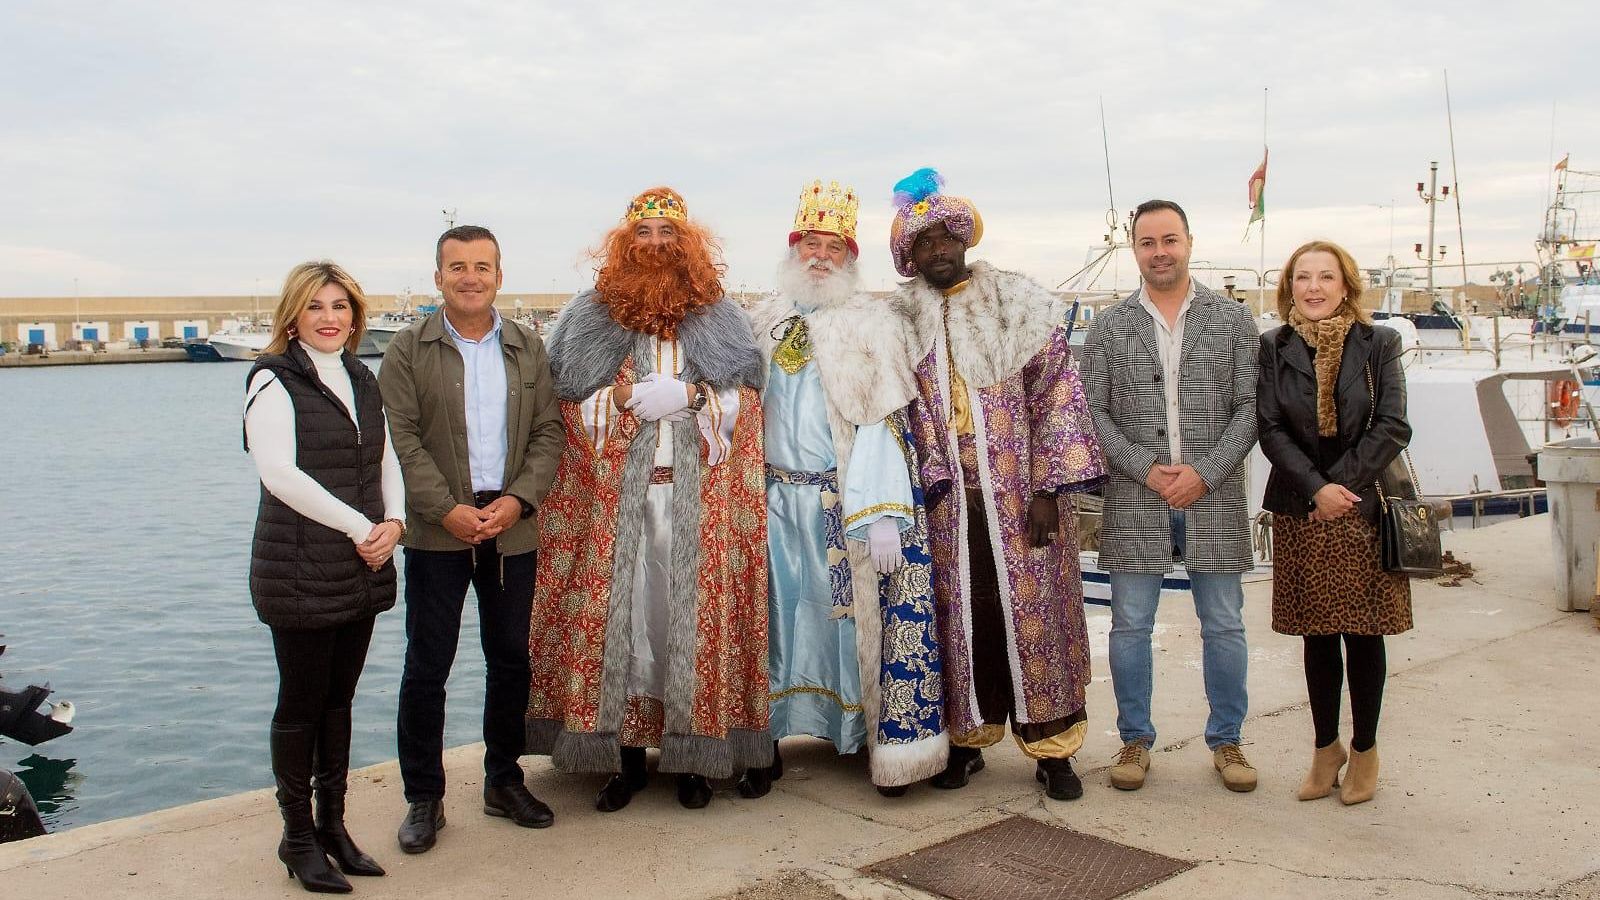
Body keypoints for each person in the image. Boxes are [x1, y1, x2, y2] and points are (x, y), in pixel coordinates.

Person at [527, 187, 770, 812]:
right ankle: (623, 761)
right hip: (617, 504)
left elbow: (747, 404)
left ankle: (692, 760)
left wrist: (693, 398)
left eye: (668, 233)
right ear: (624, 243)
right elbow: (564, 401)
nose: (656, 244)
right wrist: (618, 398)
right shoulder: (589, 315)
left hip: (698, 503)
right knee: (627, 629)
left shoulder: (720, 316)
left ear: (687, 245)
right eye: (644, 233)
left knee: (686, 627)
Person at [891, 169, 1107, 801]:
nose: (937, 250)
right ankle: (966, 741)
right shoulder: (902, 321)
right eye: (923, 243)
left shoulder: (1015, 303)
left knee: (1038, 619)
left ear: (964, 238)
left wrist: (1049, 490)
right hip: (946, 503)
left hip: (1021, 496)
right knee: (964, 617)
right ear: (910, 256)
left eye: (945, 238)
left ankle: (1053, 749)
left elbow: (1057, 395)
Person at [743, 180, 946, 798]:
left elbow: (882, 419)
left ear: (851, 257)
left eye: (835, 247)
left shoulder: (871, 323)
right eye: (812, 243)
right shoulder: (761, 320)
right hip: (773, 500)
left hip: (842, 504)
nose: (821, 256)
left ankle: (861, 735)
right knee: (778, 618)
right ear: (794, 248)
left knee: (850, 621)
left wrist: (884, 512)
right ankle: (765, 740)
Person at [378, 225, 565, 854]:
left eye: (482, 266)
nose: (470, 278)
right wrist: (446, 509)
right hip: (439, 530)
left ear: (499, 276)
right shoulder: (407, 349)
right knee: (427, 663)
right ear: (438, 277)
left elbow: (549, 432)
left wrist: (518, 501)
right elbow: (401, 438)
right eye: (457, 267)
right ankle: (423, 797)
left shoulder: (527, 347)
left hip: (512, 527)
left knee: (510, 657)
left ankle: (503, 780)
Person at [1080, 199, 1261, 793]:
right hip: (1137, 496)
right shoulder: (1110, 327)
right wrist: (1145, 470)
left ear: (1188, 243)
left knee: (1224, 624)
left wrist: (1206, 473)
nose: (1160, 252)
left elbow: (1250, 410)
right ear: (1135, 249)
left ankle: (1227, 740)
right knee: (1130, 625)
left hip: (1215, 496)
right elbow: (1093, 413)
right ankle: (1134, 740)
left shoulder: (1233, 321)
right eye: (1148, 242)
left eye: (1169, 240)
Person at [244, 260, 402, 893]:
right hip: (298, 568)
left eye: (340, 306)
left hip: (358, 566)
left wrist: (394, 523)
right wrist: (362, 528)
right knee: (301, 703)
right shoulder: (272, 380)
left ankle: (332, 825)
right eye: (315, 306)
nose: (329, 318)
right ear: (293, 315)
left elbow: (386, 456)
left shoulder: (362, 376)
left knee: (339, 701)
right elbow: (279, 473)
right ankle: (297, 836)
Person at [1258, 239, 1412, 806]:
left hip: (1361, 507)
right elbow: (1270, 428)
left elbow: (1393, 424)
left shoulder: (1380, 343)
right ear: (1289, 287)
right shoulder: (1274, 346)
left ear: (1346, 285)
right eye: (1303, 277)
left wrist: (1338, 488)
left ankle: (1365, 749)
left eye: (1326, 276)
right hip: (1302, 507)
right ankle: (1326, 748)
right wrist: (1315, 489)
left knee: (1364, 634)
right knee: (1317, 634)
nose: (1314, 287)